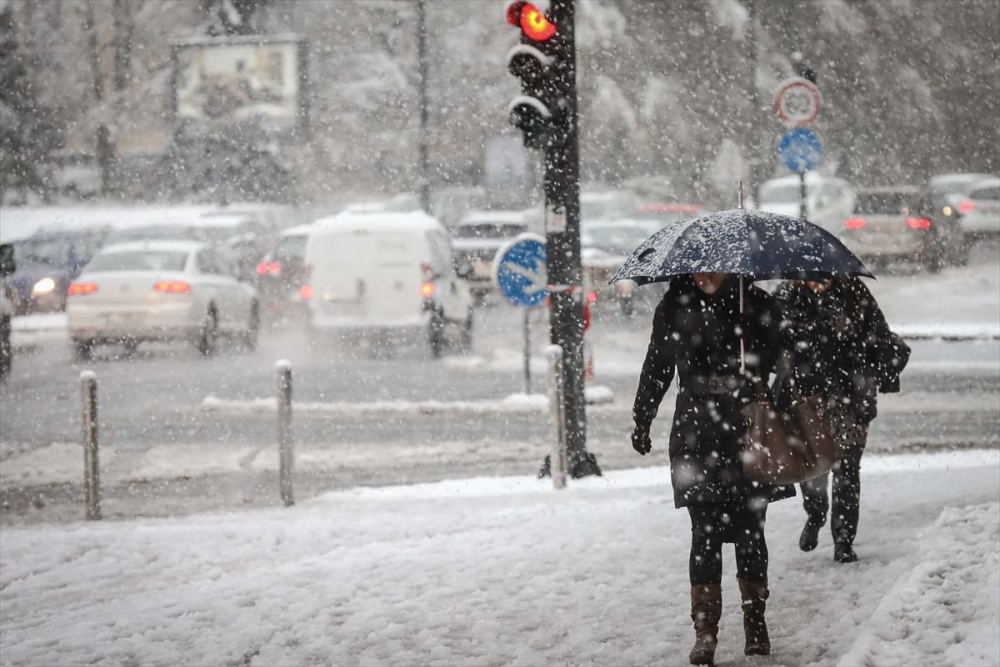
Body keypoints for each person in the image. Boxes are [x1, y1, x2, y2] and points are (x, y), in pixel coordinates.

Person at [631, 272, 795, 665]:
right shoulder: (674, 306)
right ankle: (705, 631)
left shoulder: (753, 302)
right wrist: (642, 416)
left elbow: (786, 358)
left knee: (751, 530)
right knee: (703, 533)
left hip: (746, 428)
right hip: (696, 432)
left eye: (715, 267)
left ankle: (756, 622)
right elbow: (658, 363)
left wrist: (753, 347)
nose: (707, 274)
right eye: (699, 268)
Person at [773, 276, 902, 564]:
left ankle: (843, 540)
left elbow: (879, 334)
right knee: (813, 471)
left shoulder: (854, 292)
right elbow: (771, 341)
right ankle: (816, 514)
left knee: (847, 471)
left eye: (825, 278)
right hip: (806, 400)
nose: (819, 282)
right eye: (811, 277)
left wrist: (851, 331)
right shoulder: (787, 296)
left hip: (850, 399)